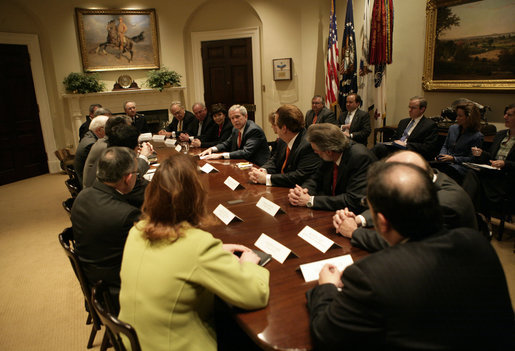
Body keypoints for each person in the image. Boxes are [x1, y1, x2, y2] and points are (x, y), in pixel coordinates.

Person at [307, 162, 514, 350]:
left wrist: (327, 286)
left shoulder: (369, 276)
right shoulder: (475, 241)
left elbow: (325, 335)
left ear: (382, 222)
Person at [118, 152, 270, 351]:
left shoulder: (137, 230)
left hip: (134, 341)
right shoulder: (196, 245)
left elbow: (174, 259)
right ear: (196, 196)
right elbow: (255, 295)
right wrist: (249, 265)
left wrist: (215, 252)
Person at [334, 150, 478, 253]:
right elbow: (393, 204)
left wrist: (353, 232)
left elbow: (404, 243)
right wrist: (358, 219)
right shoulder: (431, 177)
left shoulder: (442, 205)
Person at [71, 147, 141, 300]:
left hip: (92, 276)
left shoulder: (82, 197)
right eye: (137, 173)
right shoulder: (126, 215)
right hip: (117, 287)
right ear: (128, 178)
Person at [288, 123, 375, 212]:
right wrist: (302, 192)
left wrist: (310, 200)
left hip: (354, 215)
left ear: (328, 151)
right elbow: (315, 178)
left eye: (316, 151)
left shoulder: (360, 158)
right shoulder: (331, 153)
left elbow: (353, 200)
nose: (315, 153)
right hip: (332, 211)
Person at [248, 104, 321, 187]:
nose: (273, 127)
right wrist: (262, 170)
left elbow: (299, 176)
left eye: (275, 124)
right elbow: (274, 160)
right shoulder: (283, 140)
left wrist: (267, 178)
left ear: (284, 128)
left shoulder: (308, 145)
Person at [465, 103, 515, 212]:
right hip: (492, 172)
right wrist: (481, 153)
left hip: (507, 177)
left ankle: (468, 212)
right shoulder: (501, 134)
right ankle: (470, 212)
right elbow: (491, 157)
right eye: (505, 114)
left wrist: (505, 163)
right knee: (471, 173)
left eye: (509, 115)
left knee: (475, 184)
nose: (505, 117)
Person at [199, 104, 271, 166]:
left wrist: (221, 155)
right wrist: (212, 149)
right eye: (232, 118)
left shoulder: (253, 130)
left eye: (237, 117)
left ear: (246, 116)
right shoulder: (235, 129)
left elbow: (246, 152)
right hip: (243, 163)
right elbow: (227, 143)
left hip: (258, 165)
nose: (235, 120)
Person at [372, 96, 439, 160]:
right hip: (396, 150)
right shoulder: (403, 122)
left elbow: (428, 147)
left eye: (413, 108)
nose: (409, 110)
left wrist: (406, 144)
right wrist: (393, 142)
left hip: (411, 153)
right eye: (409, 107)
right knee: (378, 147)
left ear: (422, 109)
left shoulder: (429, 125)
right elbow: (395, 137)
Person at [434, 103, 483, 183]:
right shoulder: (452, 128)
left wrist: (454, 159)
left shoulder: (477, 136)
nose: (457, 118)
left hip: (460, 167)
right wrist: (441, 156)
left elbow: (472, 158)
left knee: (444, 172)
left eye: (460, 116)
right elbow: (445, 146)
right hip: (446, 163)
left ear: (469, 118)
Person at [82, 116, 131, 188]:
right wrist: (143, 157)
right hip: (97, 193)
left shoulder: (103, 141)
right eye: (128, 129)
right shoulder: (107, 147)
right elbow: (124, 172)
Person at [74, 115, 108, 186]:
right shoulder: (91, 144)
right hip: (88, 184)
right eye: (108, 128)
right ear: (100, 130)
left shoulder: (88, 136)